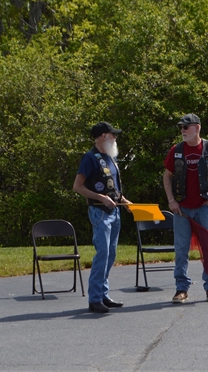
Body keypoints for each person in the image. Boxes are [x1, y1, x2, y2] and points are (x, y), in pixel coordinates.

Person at [163, 113, 208, 303]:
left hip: (205, 208)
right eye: (181, 128)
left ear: (197, 128)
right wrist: (171, 200)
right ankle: (181, 288)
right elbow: (167, 175)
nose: (183, 131)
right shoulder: (176, 150)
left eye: (186, 127)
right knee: (181, 249)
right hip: (182, 209)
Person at [73, 122, 132, 313]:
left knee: (111, 254)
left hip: (115, 211)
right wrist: (101, 198)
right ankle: (95, 298)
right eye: (113, 135)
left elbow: (113, 189)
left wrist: (125, 201)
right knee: (103, 254)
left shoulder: (110, 158)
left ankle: (103, 294)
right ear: (103, 136)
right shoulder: (90, 158)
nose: (115, 138)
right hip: (99, 212)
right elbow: (78, 186)